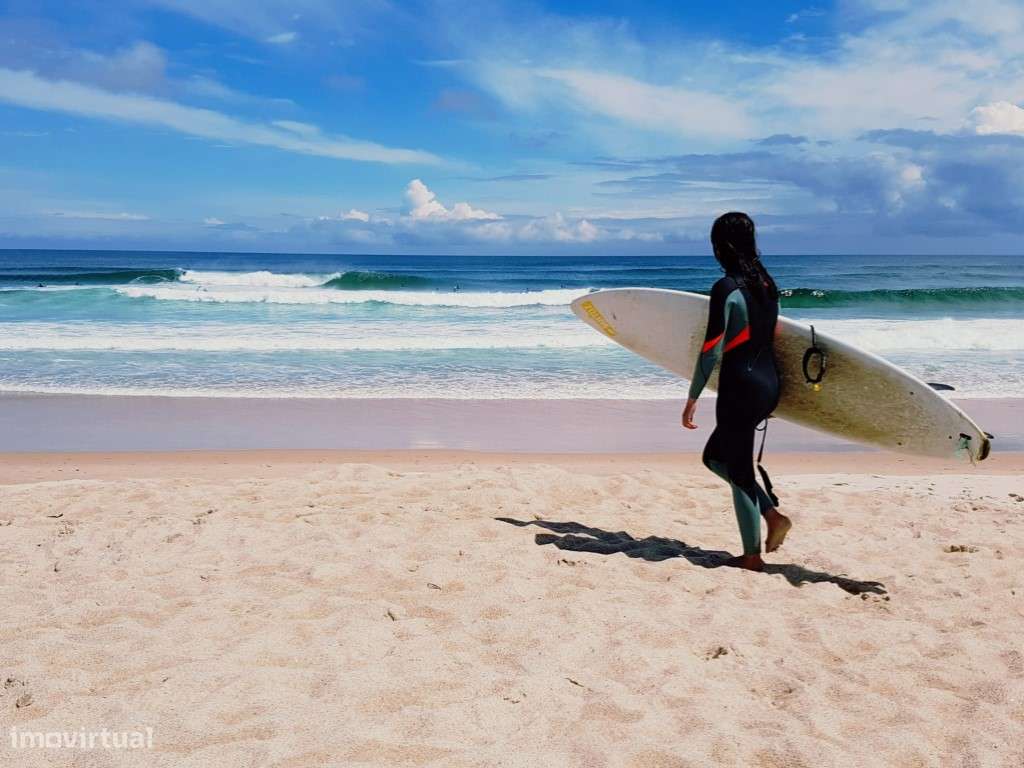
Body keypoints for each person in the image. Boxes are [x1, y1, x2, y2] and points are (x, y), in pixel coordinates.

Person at [681, 212, 791, 571]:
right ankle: (771, 515)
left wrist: (693, 396)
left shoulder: (726, 288)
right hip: (767, 385)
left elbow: (712, 348)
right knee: (715, 458)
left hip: (740, 389)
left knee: (739, 471)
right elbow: (775, 337)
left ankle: (752, 556)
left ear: (722, 246)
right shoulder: (768, 287)